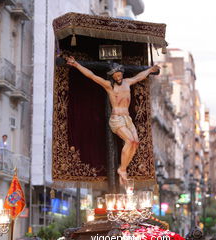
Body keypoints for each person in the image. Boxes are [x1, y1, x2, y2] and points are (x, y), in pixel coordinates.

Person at [65, 56, 160, 185]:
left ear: (122, 74)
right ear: (113, 76)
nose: (118, 77)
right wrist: (76, 64)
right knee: (130, 140)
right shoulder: (109, 86)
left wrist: (150, 70)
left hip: (127, 118)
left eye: (119, 74)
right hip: (116, 119)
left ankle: (122, 168)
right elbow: (92, 76)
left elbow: (139, 77)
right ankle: (122, 170)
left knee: (136, 143)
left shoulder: (127, 82)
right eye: (115, 76)